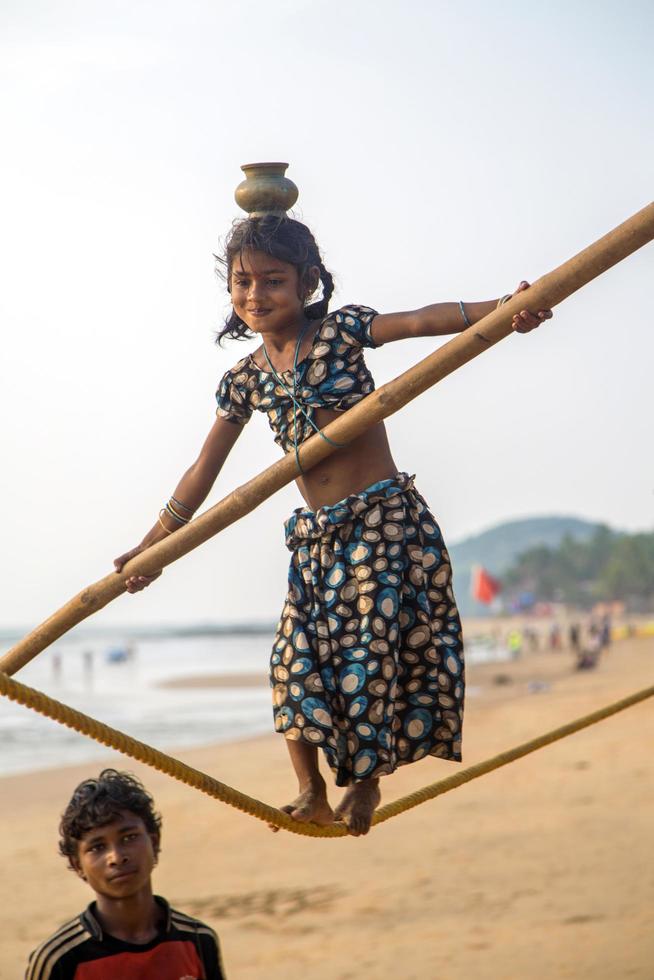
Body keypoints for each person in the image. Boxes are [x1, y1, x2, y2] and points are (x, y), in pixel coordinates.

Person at [113, 215, 552, 836]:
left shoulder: (342, 330)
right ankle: (309, 788)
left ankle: (365, 786)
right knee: (294, 659)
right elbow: (200, 473)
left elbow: (426, 320)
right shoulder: (244, 380)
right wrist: (151, 549)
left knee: (368, 659)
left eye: (273, 280)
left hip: (383, 522)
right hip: (318, 537)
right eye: (242, 283)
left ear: (307, 281)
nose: (255, 295)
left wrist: (508, 309)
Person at [26, 769, 226, 979]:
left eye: (129, 838)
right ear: (77, 865)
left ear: (154, 842)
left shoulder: (198, 939)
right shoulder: (59, 959)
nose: (116, 857)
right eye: (97, 847)